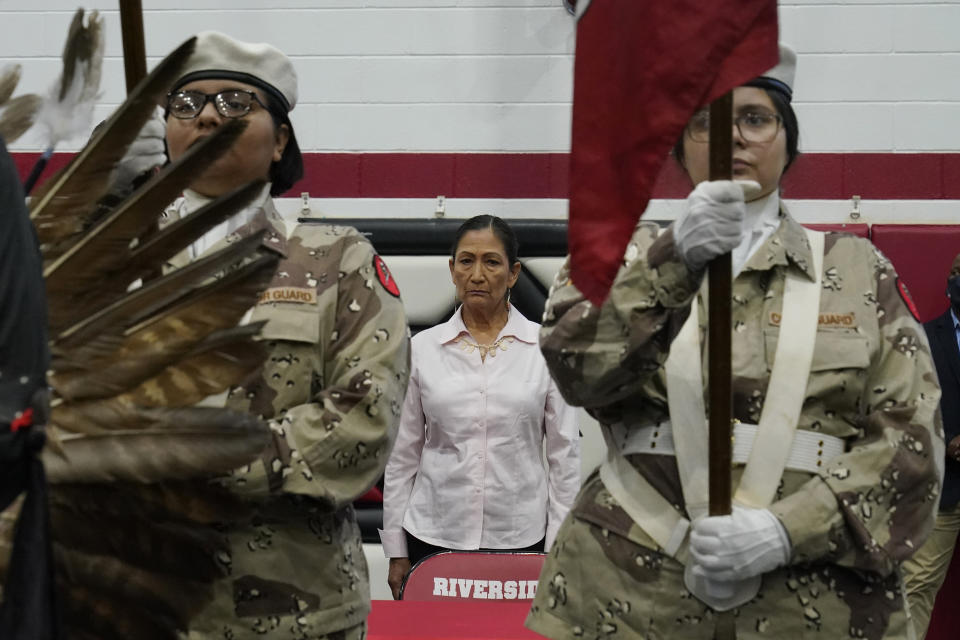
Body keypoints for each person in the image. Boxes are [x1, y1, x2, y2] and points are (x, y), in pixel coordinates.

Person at [524, 45, 944, 640]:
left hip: (814, 606)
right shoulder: (618, 254)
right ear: (679, 144)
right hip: (629, 597)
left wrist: (788, 530)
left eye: (755, 118)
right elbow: (577, 372)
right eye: (707, 121)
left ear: (787, 139)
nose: (734, 138)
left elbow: (912, 444)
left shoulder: (855, 269)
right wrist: (672, 262)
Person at [158, 32, 410, 639]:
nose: (211, 115)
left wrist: (199, 457)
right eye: (186, 105)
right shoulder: (116, 266)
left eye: (238, 102)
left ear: (281, 142)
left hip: (297, 613)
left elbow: (367, 419)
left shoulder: (336, 261)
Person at [379, 215, 580, 600]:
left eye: (491, 262)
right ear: (452, 270)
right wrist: (396, 551)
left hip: (520, 539)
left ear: (513, 273)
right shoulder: (421, 350)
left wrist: (557, 550)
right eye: (466, 261)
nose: (477, 274)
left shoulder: (546, 350)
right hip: (433, 536)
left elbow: (565, 457)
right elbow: (402, 456)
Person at [903, 253, 960, 638]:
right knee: (915, 587)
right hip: (944, 487)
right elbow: (908, 405)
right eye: (958, 273)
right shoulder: (923, 336)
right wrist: (944, 440)